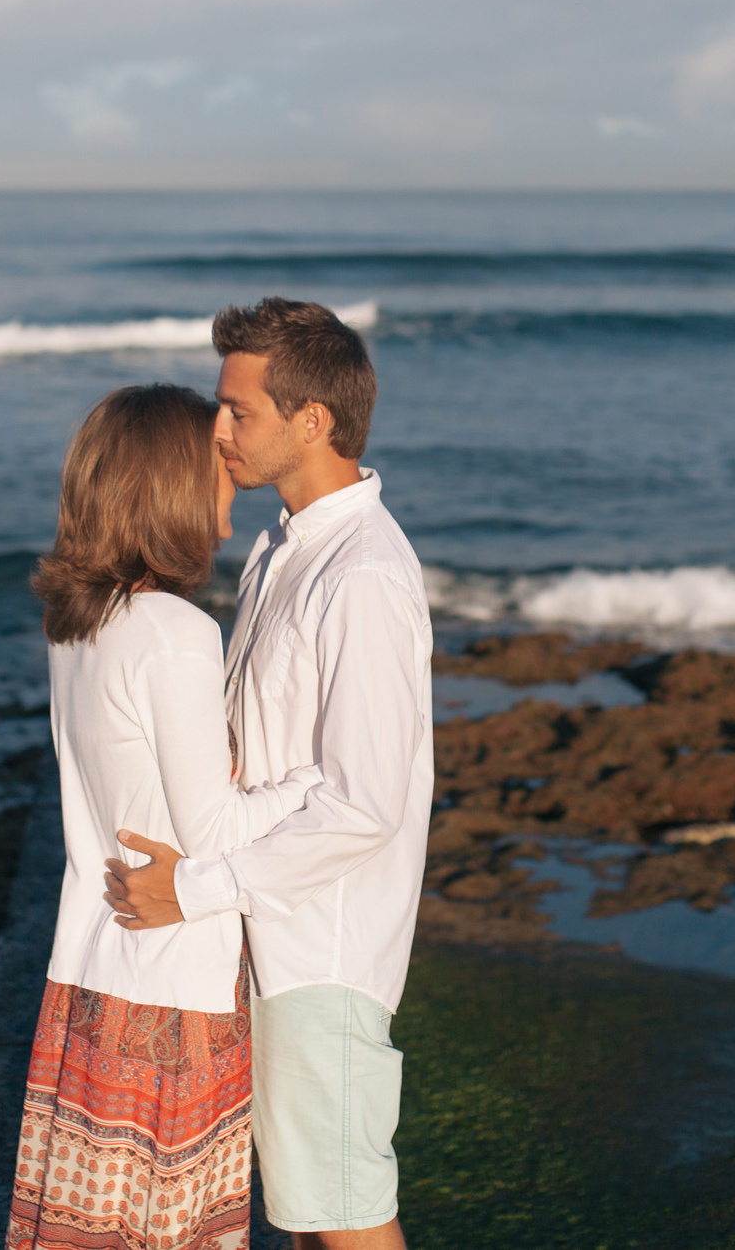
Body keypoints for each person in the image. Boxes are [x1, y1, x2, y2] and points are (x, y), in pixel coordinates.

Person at [104, 299, 432, 1250]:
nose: (217, 431)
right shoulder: (283, 551)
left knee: (344, 1213)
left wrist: (193, 889)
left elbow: (364, 801)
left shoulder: (360, 575)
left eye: (238, 411)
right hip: (274, 938)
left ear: (312, 419)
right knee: (307, 1211)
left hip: (321, 947)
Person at [8, 383, 324, 1250]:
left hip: (87, 978)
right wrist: (317, 785)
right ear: (174, 483)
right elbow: (216, 833)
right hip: (175, 993)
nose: (233, 477)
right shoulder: (176, 631)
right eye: (218, 462)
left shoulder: (76, 623)